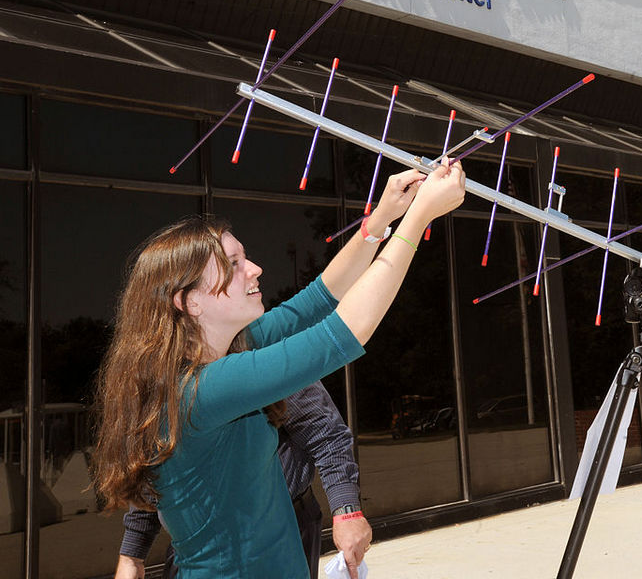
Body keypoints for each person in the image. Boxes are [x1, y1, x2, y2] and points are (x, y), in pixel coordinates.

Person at [93, 162, 465, 579]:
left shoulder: (227, 351)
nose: (254, 269)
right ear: (190, 302)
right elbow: (340, 334)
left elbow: (320, 297)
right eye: (234, 264)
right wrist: (418, 221)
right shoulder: (203, 389)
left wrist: (382, 218)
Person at [114, 380, 370, 578]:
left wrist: (346, 510)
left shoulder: (268, 354)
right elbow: (152, 465)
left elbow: (326, 434)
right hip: (194, 542)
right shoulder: (159, 372)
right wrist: (132, 553)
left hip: (280, 532)